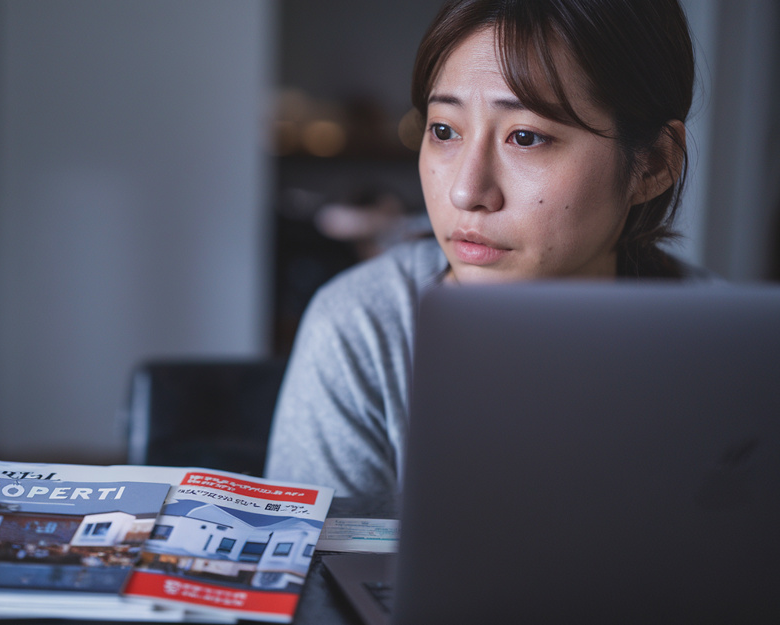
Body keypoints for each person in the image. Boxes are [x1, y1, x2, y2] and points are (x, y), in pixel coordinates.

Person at [264, 0, 712, 497]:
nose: (466, 191)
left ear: (652, 164)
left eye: (525, 136)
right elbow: (319, 571)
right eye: (443, 130)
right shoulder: (366, 329)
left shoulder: (731, 357)